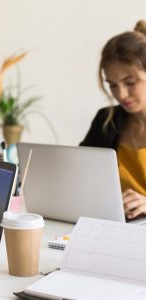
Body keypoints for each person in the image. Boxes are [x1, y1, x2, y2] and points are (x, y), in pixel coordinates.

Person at [81, 20, 146, 221]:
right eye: (112, 85)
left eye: (130, 82)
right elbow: (80, 174)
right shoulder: (106, 121)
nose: (121, 94)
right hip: (115, 228)